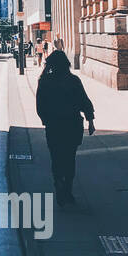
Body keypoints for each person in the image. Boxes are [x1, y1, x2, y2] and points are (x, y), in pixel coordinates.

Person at [35, 50, 95, 206]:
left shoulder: (45, 81)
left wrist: (46, 120)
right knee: (70, 157)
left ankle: (58, 183)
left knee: (56, 157)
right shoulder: (73, 80)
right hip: (72, 125)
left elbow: (40, 106)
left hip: (54, 126)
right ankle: (67, 188)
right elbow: (84, 101)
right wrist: (90, 120)